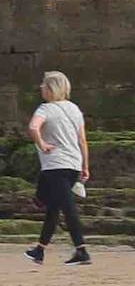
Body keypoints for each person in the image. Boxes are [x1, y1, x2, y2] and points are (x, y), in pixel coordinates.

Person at [24, 71, 91, 266]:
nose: (41, 88)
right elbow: (82, 140)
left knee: (66, 207)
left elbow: (33, 127)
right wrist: (85, 166)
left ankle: (82, 250)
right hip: (73, 164)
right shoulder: (74, 109)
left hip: (55, 165)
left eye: (44, 85)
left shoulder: (45, 109)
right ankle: (39, 250)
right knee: (54, 207)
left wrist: (42, 144)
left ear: (52, 88)